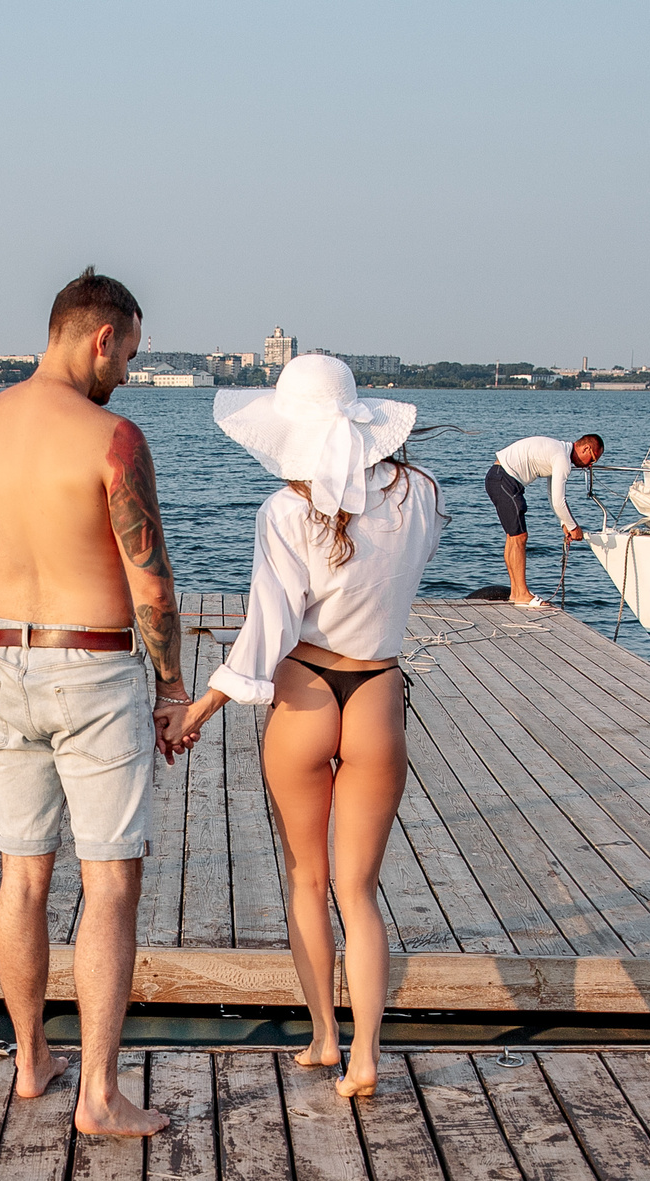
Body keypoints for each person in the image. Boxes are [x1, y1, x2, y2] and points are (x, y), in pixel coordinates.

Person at [0, 267, 187, 1138]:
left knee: (24, 874)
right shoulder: (113, 438)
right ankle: (101, 1096)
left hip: (4, 665)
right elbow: (149, 580)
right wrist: (174, 685)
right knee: (110, 884)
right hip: (95, 671)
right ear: (101, 337)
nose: (128, 373)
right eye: (130, 354)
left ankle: (34, 1062)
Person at [163, 354, 440, 1097]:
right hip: (378, 687)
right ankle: (367, 1056)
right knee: (360, 891)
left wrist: (199, 708)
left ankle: (324, 1037)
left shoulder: (285, 512)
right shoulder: (423, 495)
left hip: (308, 689)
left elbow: (268, 627)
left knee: (307, 879)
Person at [486, 430, 601, 606]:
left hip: (498, 477)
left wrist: (564, 523)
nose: (590, 466)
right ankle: (523, 593)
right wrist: (573, 527)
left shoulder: (558, 452)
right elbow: (558, 500)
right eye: (592, 459)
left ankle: (516, 593)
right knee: (519, 537)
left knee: (513, 537)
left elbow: (551, 494)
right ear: (585, 448)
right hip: (505, 479)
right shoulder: (562, 458)